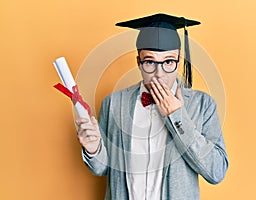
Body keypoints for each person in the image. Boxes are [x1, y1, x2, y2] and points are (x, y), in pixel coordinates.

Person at [76, 13, 228, 200]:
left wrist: (177, 116)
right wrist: (93, 149)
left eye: (168, 62)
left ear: (179, 62)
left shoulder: (202, 105)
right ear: (138, 62)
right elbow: (102, 168)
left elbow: (216, 172)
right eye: (149, 62)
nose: (159, 73)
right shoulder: (113, 103)